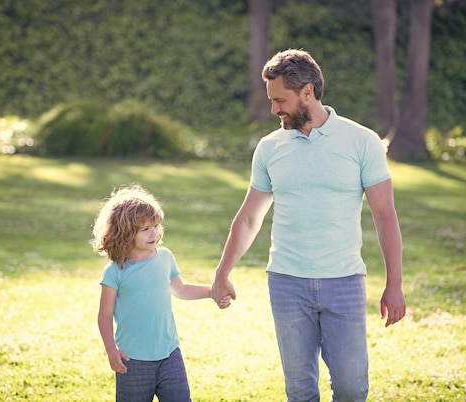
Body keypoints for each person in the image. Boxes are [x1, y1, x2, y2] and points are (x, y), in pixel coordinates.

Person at [210, 49, 406, 402]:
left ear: (307, 92)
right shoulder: (270, 148)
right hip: (286, 282)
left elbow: (384, 214)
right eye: (271, 100)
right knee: (299, 390)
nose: (273, 110)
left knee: (351, 388)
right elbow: (250, 216)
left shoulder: (362, 141)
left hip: (343, 282)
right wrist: (223, 271)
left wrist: (395, 284)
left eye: (279, 100)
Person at [92, 184, 229, 402]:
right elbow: (105, 315)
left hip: (169, 354)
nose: (154, 232)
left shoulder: (165, 258)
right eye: (145, 229)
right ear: (126, 232)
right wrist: (111, 350)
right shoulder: (115, 271)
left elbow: (181, 289)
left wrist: (212, 292)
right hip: (133, 360)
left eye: (156, 225)